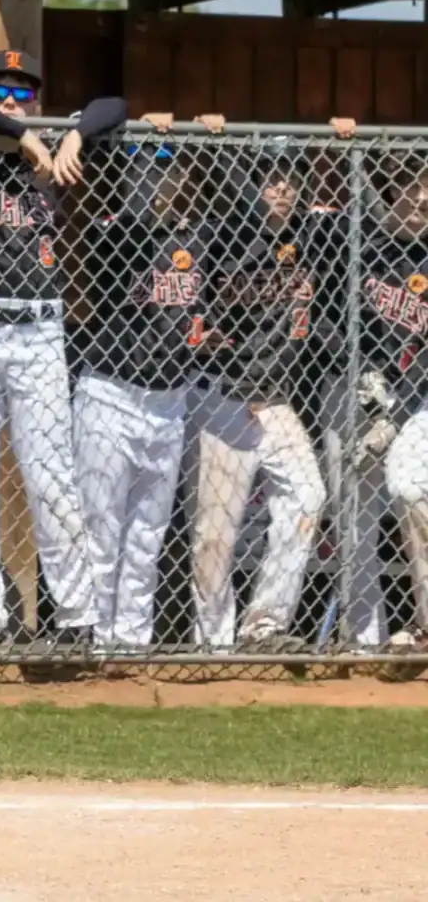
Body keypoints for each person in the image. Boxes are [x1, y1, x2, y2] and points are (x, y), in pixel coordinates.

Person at [0, 48, 127, 654]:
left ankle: (75, 617)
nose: (11, 101)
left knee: (50, 480)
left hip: (40, 330)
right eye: (1, 91)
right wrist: (17, 133)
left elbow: (115, 107)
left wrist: (70, 137)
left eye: (23, 93)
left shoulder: (54, 150)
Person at [177, 114, 336, 652]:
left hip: (277, 402)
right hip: (221, 395)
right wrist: (216, 141)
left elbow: (376, 217)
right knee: (215, 533)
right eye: (269, 172)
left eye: (291, 173)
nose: (282, 184)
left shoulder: (311, 234)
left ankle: (264, 626)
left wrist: (342, 140)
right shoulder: (223, 232)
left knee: (309, 496)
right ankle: (213, 644)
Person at [71, 139, 212, 652]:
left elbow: (248, 216)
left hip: (170, 401)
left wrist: (213, 140)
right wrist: (140, 192)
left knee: (147, 533)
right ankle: (94, 640)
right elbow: (123, 241)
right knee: (101, 528)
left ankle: (130, 640)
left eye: (166, 169)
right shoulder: (111, 229)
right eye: (142, 169)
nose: (155, 179)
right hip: (112, 394)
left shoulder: (199, 237)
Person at [313, 149, 428, 673]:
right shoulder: (359, 243)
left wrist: (393, 413)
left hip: (416, 400)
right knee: (352, 517)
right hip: (353, 387)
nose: (419, 199)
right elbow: (325, 315)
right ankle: (364, 641)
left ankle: (424, 625)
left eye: (427, 191)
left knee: (408, 486)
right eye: (409, 188)